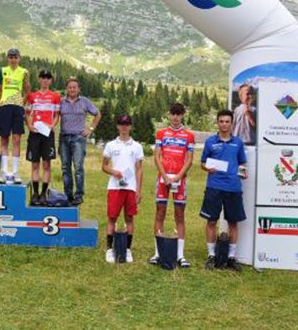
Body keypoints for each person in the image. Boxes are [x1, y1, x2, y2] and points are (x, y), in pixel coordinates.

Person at [200, 109, 248, 271]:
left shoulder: (238, 143)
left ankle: (231, 257)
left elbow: (242, 163)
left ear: (231, 123)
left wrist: (243, 173)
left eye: (227, 121)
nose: (224, 124)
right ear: (217, 122)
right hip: (214, 187)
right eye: (221, 121)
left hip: (233, 187)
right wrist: (207, 168)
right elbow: (203, 162)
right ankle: (211, 256)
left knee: (233, 222)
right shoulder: (210, 142)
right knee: (211, 221)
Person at [149, 103, 195, 268]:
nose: (175, 117)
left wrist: (177, 177)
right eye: (173, 114)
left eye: (178, 114)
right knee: (159, 213)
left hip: (179, 180)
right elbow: (157, 156)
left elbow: (189, 159)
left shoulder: (189, 136)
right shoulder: (161, 133)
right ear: (169, 115)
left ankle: (180, 255)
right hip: (163, 179)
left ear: (182, 115)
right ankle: (157, 253)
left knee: (179, 215)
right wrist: (164, 176)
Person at [101, 115, 144, 263]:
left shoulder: (137, 146)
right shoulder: (111, 145)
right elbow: (104, 166)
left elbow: (139, 169)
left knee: (129, 218)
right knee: (112, 217)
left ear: (130, 126)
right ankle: (109, 249)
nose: (124, 127)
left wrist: (138, 190)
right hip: (115, 187)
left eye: (127, 124)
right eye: (121, 124)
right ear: (118, 126)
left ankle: (127, 249)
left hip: (130, 187)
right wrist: (114, 172)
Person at [58, 77, 101, 206]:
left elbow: (97, 114)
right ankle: (68, 195)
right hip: (64, 138)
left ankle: (79, 195)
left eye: (74, 87)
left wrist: (90, 129)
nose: (72, 89)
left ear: (78, 89)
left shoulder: (85, 101)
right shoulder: (61, 102)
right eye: (70, 87)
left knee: (78, 168)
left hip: (78, 138)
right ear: (66, 89)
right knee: (65, 168)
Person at [25, 69, 60, 206]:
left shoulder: (55, 96)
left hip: (47, 134)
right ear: (39, 79)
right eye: (43, 77)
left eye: (48, 77)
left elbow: (56, 115)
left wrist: (52, 125)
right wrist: (29, 126)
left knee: (46, 165)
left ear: (50, 80)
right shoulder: (32, 96)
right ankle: (35, 194)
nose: (45, 80)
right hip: (35, 133)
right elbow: (27, 113)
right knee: (35, 164)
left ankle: (43, 194)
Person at [0, 47, 30, 184]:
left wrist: (21, 103)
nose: (13, 60)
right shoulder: (2, 70)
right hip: (4, 107)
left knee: (16, 139)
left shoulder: (24, 72)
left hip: (17, 108)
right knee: (4, 139)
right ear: (7, 58)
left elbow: (27, 90)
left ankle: (15, 172)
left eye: (15, 57)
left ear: (19, 58)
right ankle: (4, 171)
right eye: (11, 57)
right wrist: (2, 101)